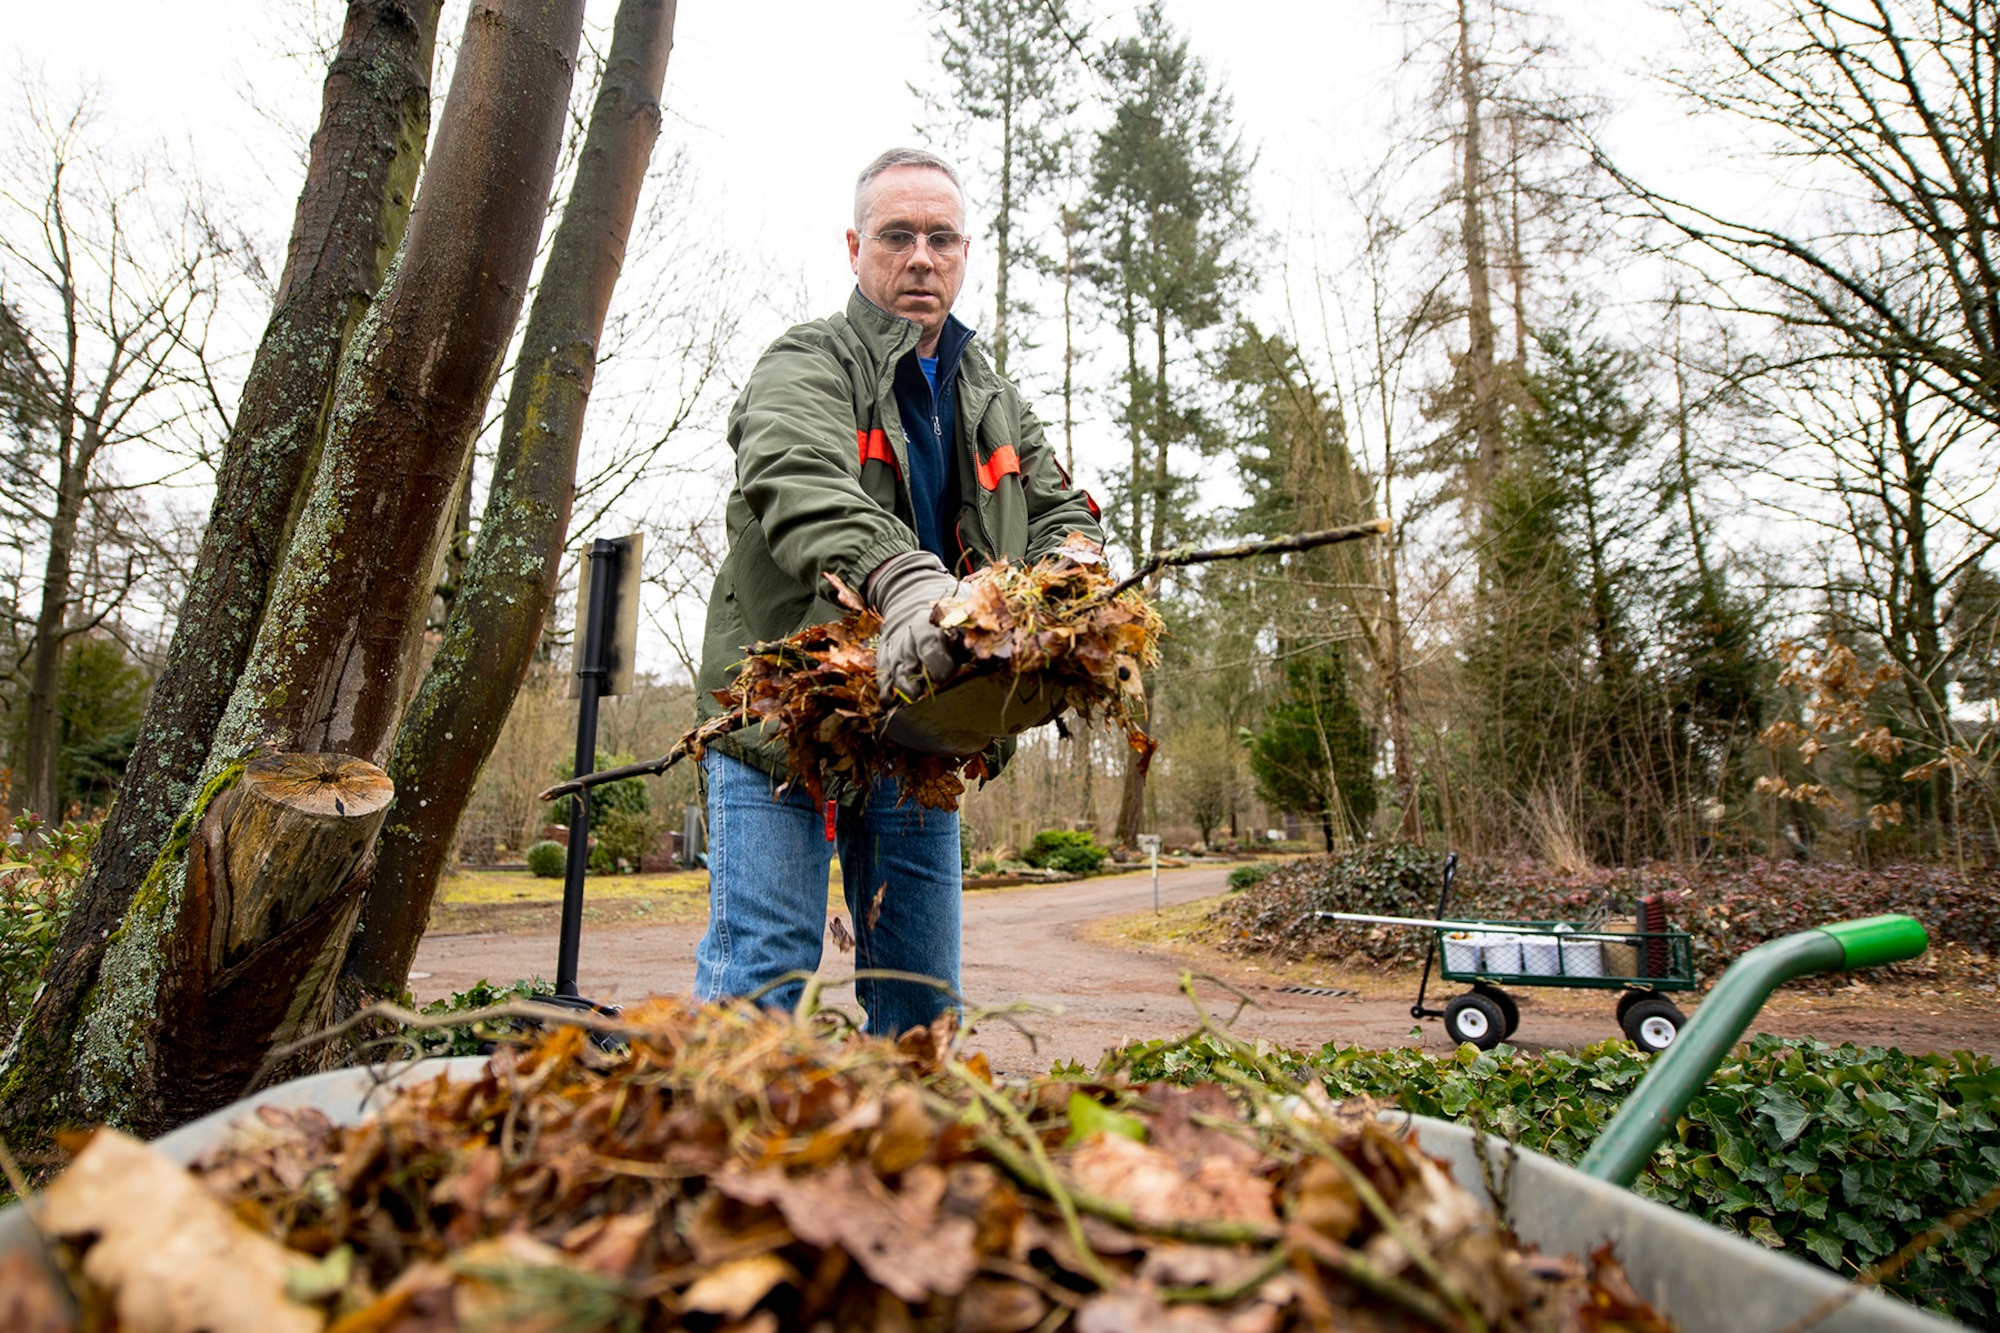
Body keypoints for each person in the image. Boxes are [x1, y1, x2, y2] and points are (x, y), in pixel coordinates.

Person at [692, 147, 1103, 1035]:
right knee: (763, 973)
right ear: (855, 247)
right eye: (898, 235)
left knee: (921, 996)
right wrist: (908, 578)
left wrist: (1067, 583)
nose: (921, 256)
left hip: (922, 727)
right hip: (784, 710)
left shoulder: (993, 400)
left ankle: (898, 1168)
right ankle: (714, 1163)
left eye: (941, 237)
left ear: (964, 252)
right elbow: (799, 475)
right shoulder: (808, 362)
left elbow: (1063, 506)